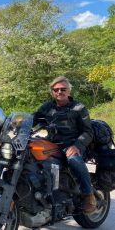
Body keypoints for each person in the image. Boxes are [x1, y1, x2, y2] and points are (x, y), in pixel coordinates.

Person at [33, 76, 97, 214]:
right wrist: (18, 125)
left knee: (74, 160)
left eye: (63, 89)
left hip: (73, 145)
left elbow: (88, 132)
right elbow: (33, 119)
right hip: (52, 144)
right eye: (56, 89)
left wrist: (77, 146)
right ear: (52, 92)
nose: (59, 92)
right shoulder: (47, 107)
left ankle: (88, 195)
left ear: (69, 91)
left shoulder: (78, 108)